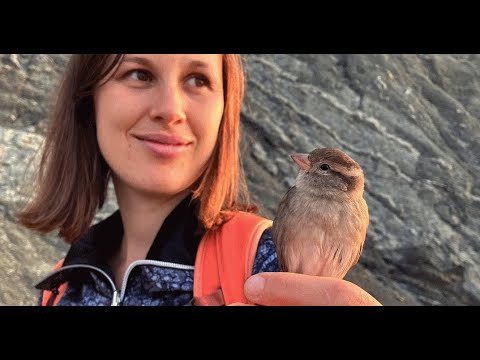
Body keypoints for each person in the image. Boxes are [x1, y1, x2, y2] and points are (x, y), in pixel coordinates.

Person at [17, 54, 381, 306]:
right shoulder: (62, 286)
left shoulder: (263, 257)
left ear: (227, 110)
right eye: (140, 74)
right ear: (88, 100)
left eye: (197, 79)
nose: (170, 110)